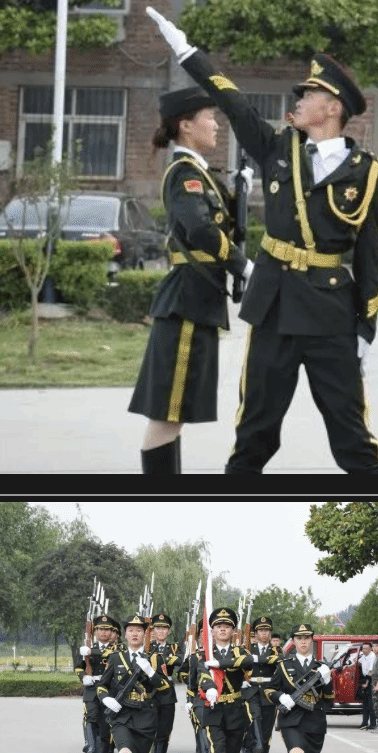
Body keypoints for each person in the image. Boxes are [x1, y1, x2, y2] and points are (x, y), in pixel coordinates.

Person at [147, 6, 378, 475]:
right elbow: (233, 101)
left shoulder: (369, 174)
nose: (299, 99)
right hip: (273, 307)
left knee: (354, 441)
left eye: (310, 94)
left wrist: (366, 328)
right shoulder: (277, 148)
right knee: (255, 435)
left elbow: (369, 256)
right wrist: (186, 50)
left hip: (331, 315)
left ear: (333, 108)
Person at [129, 85, 251, 474]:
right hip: (187, 303)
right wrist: (243, 266)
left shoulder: (199, 173)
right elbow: (200, 229)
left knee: (174, 414)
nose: (216, 125)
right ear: (185, 125)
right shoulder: (184, 173)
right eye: (209, 118)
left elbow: (216, 219)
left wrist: (240, 192)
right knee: (169, 413)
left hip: (197, 301)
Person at [96, 613, 171, 753]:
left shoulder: (154, 659)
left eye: (139, 630)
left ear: (145, 634)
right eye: (131, 630)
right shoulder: (115, 658)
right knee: (124, 751)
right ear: (125, 634)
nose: (135, 634)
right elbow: (102, 685)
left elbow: (165, 688)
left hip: (146, 715)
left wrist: (150, 672)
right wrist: (105, 698)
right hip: (122, 714)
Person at [268, 622, 334, 753]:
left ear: (311, 640)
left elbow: (330, 701)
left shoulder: (320, 667)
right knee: (295, 751)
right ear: (294, 641)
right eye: (299, 638)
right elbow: (270, 690)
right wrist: (282, 697)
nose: (303, 642)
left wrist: (327, 680)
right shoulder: (284, 665)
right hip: (291, 720)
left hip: (315, 721)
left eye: (306, 638)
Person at [197, 605, 255, 753]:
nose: (222, 629)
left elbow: (247, 663)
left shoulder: (240, 652)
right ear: (211, 631)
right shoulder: (204, 654)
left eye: (227, 626)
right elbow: (201, 674)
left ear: (233, 631)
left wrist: (221, 664)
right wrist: (210, 686)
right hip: (213, 709)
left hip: (235, 711)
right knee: (217, 749)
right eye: (218, 626)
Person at [75, 613, 120, 753]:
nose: (104, 632)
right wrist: (83, 677)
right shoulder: (87, 649)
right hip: (91, 689)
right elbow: (79, 668)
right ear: (95, 631)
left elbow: (109, 655)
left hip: (109, 690)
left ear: (112, 632)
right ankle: (92, 749)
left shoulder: (118, 649)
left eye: (107, 629)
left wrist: (90, 651)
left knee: (105, 731)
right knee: (91, 717)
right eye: (101, 629)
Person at [244, 615, 282, 753]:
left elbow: (280, 661)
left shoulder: (276, 651)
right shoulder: (248, 648)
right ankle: (255, 745)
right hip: (251, 691)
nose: (264, 633)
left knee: (266, 734)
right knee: (255, 719)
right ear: (255, 633)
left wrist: (256, 659)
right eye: (261, 630)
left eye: (267, 630)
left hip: (268, 693)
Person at [146, 610, 182, 753]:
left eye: (164, 628)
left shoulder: (174, 648)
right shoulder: (146, 647)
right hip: (149, 692)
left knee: (164, 732)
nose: (161, 631)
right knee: (149, 729)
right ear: (152, 630)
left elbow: (180, 660)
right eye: (158, 628)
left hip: (167, 693)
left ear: (168, 631)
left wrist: (159, 659)